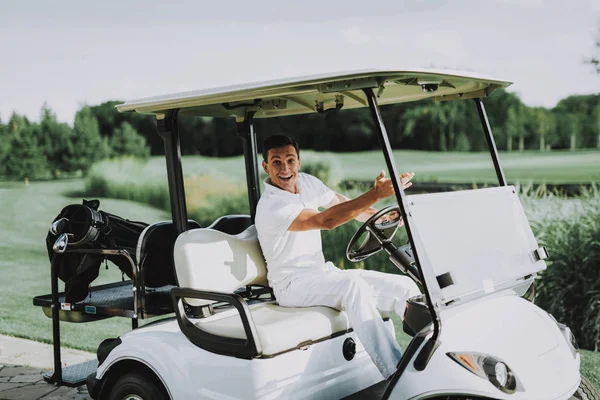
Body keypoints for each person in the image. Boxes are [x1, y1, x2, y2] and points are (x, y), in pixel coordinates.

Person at [255, 134, 421, 380]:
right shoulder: (272, 206)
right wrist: (376, 193)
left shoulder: (308, 183)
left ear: (298, 161)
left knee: (404, 285)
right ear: (265, 166)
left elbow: (345, 206)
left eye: (290, 160)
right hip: (292, 285)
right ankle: (397, 375)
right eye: (276, 162)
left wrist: (382, 217)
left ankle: (432, 358)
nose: (285, 168)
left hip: (322, 274)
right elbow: (328, 220)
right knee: (352, 286)